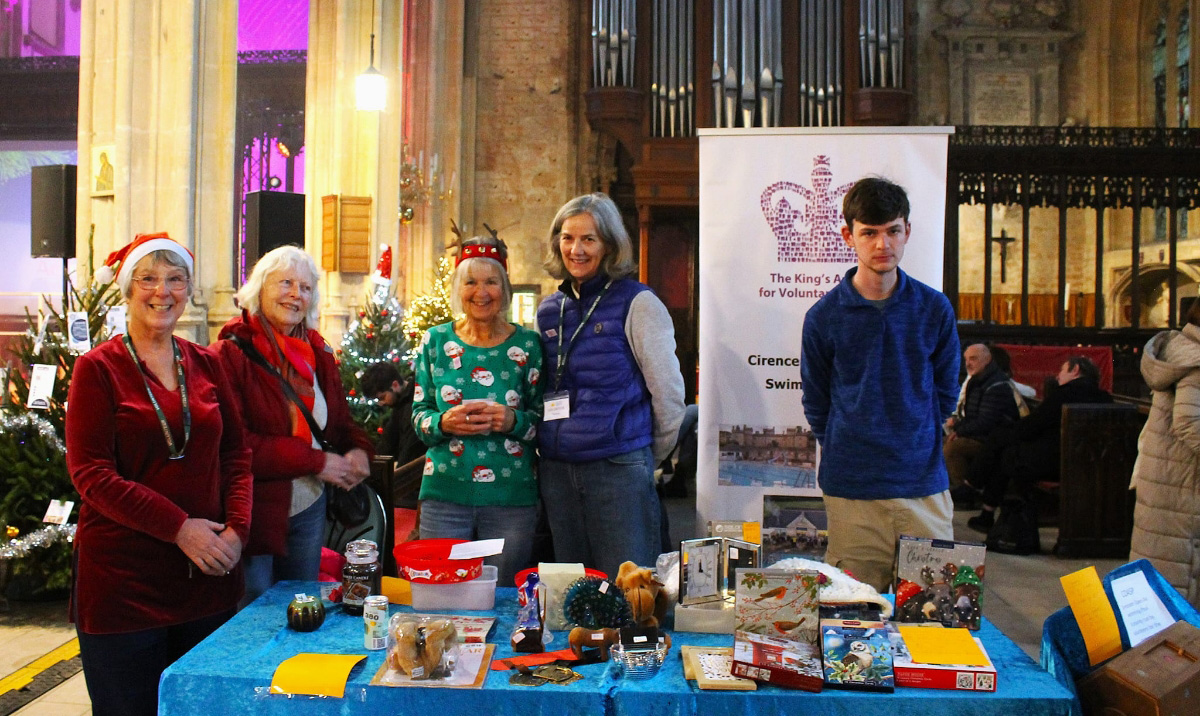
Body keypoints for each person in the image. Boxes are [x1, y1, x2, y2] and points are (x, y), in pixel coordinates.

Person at [66, 233, 253, 716]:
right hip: (124, 585)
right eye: (147, 278)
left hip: (206, 575)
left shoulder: (208, 364)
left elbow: (236, 453)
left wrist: (237, 529)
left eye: (175, 279)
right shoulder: (97, 369)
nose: (161, 291)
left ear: (188, 289)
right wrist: (179, 528)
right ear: (127, 290)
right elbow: (91, 474)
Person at [800, 177, 960, 593]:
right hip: (853, 489)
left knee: (934, 614)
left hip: (922, 485)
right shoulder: (824, 316)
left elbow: (945, 391)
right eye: (869, 233)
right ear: (848, 236)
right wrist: (848, 441)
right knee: (853, 621)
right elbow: (817, 402)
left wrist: (914, 435)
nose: (882, 244)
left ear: (908, 232)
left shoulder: (934, 308)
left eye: (892, 230)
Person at [212, 245, 374, 605]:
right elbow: (237, 444)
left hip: (309, 505)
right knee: (253, 613)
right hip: (252, 510)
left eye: (305, 287)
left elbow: (338, 424)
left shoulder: (317, 351)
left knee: (302, 605)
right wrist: (317, 463)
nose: (295, 294)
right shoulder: (231, 353)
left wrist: (357, 449)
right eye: (285, 283)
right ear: (259, 289)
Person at [536, 192, 686, 580]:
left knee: (631, 589)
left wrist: (642, 455)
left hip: (617, 466)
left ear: (610, 245)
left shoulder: (638, 302)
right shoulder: (550, 309)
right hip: (559, 470)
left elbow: (668, 395)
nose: (576, 249)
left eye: (589, 239)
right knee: (574, 593)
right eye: (568, 238)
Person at [411, 235, 544, 584]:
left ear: (505, 288)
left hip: (510, 498)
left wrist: (513, 420)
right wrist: (443, 421)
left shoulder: (529, 345)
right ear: (458, 288)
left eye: (491, 282)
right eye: (470, 282)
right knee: (442, 595)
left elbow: (546, 421)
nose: (481, 292)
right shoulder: (435, 341)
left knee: (502, 597)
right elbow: (418, 416)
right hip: (444, 495)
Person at [965, 356, 1112, 533]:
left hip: (1056, 463)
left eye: (1062, 370)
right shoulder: (1104, 398)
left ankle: (977, 496)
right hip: (1091, 463)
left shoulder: (1063, 394)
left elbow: (1031, 426)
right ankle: (979, 500)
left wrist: (1010, 430)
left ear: (1075, 370)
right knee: (1004, 445)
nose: (1058, 376)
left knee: (1006, 451)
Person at [1130, 304, 1200, 607]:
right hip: (1184, 485)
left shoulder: (1182, 351)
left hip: (1167, 479)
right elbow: (1188, 422)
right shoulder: (1196, 359)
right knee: (1178, 579)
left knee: (1162, 576)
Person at [944, 343, 1023, 498]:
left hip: (994, 439)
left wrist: (960, 431)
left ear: (987, 359)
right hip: (982, 434)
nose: (968, 363)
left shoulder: (996, 385)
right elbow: (972, 415)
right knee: (942, 441)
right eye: (966, 359)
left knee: (953, 448)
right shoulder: (978, 380)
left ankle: (968, 493)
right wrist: (959, 428)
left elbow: (988, 421)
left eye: (973, 358)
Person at [360, 361, 426, 474]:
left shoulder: (415, 403)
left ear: (395, 385)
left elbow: (410, 449)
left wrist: (397, 477)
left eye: (382, 397)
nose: (381, 403)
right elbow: (387, 442)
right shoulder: (399, 404)